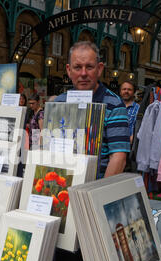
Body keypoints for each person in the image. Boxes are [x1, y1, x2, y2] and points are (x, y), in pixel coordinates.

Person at [54, 41, 130, 178]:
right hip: (61, 185)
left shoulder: (114, 105)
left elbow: (118, 157)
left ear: (99, 69)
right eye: (77, 67)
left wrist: (99, 195)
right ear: (68, 70)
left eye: (89, 67)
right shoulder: (59, 102)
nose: (83, 73)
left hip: (94, 188)